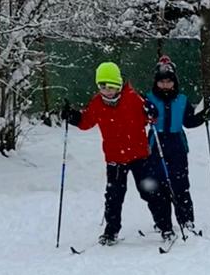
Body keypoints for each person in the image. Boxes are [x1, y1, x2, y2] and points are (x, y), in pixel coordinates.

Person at [61, 62, 174, 246]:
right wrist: (73, 117)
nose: (107, 91)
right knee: (114, 196)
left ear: (119, 85)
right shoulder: (97, 103)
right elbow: (86, 122)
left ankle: (165, 227)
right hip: (115, 158)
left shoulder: (133, 98)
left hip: (139, 156)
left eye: (111, 87)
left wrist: (152, 111)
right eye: (102, 87)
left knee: (150, 191)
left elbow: (151, 117)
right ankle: (111, 231)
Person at [145, 55, 209, 235]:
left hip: (177, 145)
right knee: (158, 186)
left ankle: (186, 219)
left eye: (169, 81)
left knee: (180, 183)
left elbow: (188, 121)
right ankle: (162, 222)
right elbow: (139, 119)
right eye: (161, 82)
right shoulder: (148, 98)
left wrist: (202, 117)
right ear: (156, 82)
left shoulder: (182, 99)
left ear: (174, 82)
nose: (165, 85)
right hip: (156, 144)